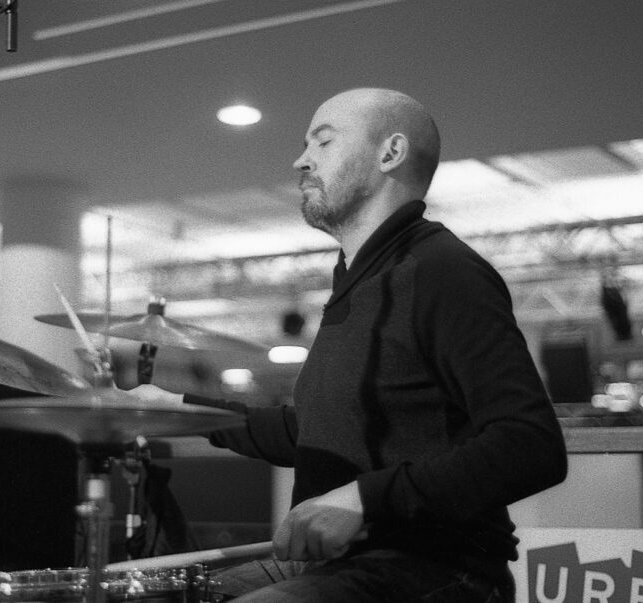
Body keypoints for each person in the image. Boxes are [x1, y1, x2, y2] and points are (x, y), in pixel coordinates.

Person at [131, 88, 568, 602]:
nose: (301, 161)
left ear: (390, 153)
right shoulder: (359, 282)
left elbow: (531, 446)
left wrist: (364, 498)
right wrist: (177, 409)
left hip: (436, 567)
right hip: (338, 564)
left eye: (324, 141)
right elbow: (312, 430)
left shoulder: (442, 272)